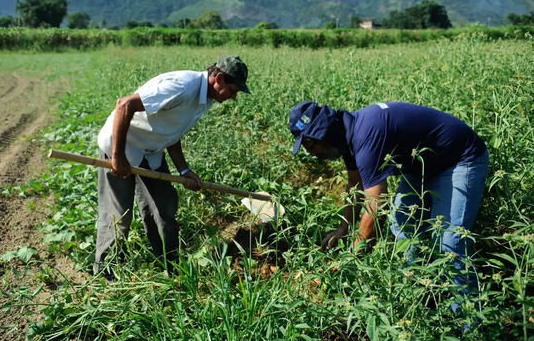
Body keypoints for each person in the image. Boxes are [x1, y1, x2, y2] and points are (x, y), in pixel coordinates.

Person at [288, 101, 489, 293]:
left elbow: (377, 207)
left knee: (450, 245)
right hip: (422, 165)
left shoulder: (366, 136)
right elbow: (355, 185)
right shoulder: (346, 136)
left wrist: (350, 260)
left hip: (459, 159)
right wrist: (343, 227)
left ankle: (466, 322)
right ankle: (418, 291)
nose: (311, 153)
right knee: (402, 225)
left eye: (309, 146)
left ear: (321, 134)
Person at [95, 56, 250, 277]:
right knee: (119, 216)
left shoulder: (204, 100)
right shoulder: (182, 86)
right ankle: (106, 273)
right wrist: (117, 156)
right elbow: (124, 104)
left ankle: (170, 267)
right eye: (233, 90)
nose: (234, 97)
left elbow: (172, 131)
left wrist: (184, 170)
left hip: (151, 151)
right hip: (121, 146)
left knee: (164, 207)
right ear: (219, 78)